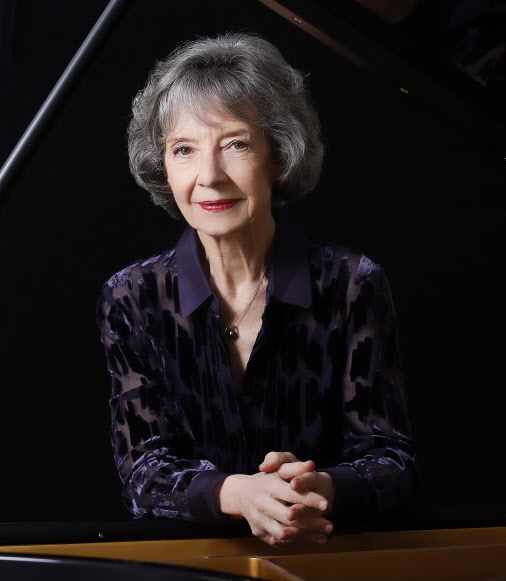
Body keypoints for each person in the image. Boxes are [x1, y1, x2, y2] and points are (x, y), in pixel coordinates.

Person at [96, 32, 416, 547]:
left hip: (330, 557)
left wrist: (319, 488)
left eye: (236, 144)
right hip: (189, 565)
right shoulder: (132, 295)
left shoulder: (352, 283)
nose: (209, 176)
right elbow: (142, 472)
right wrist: (239, 494)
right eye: (184, 150)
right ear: (163, 166)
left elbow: (390, 460)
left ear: (279, 155)